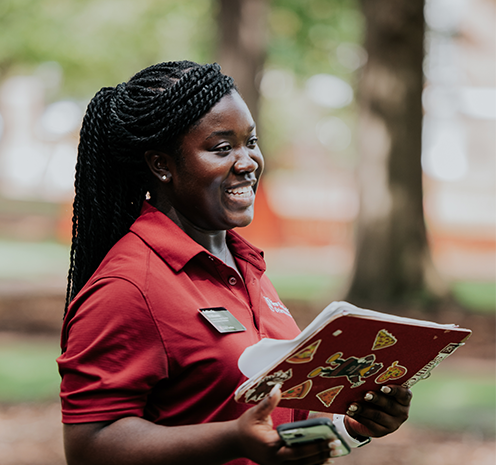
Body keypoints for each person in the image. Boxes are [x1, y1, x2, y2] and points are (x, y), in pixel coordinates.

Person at [57, 61, 412, 465]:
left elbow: (263, 423)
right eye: (222, 148)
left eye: (251, 142)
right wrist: (233, 440)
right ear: (161, 165)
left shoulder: (243, 264)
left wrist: (351, 428)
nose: (248, 162)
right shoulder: (129, 285)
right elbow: (90, 447)